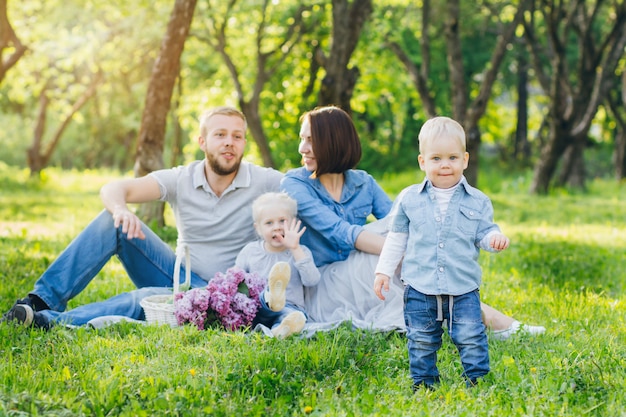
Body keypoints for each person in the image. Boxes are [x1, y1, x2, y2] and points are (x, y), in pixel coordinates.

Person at [3, 106, 283, 329]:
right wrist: (122, 210)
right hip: (179, 277)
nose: (229, 143)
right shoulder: (182, 178)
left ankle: (46, 322)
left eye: (237, 136)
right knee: (110, 220)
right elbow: (114, 188)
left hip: (226, 294)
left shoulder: (263, 180)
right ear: (202, 141)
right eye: (220, 135)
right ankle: (40, 301)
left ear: (245, 142)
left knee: (143, 298)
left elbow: (304, 190)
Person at [280, 105, 545, 338]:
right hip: (325, 284)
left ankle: (486, 320)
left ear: (333, 142)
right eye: (302, 139)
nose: (301, 148)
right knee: (393, 247)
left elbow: (407, 219)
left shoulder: (363, 182)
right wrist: (410, 254)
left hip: (367, 276)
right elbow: (342, 233)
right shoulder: (294, 184)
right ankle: (497, 323)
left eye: (310, 140)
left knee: (406, 219)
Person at [374, 116, 510, 389]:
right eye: (436, 158)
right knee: (422, 338)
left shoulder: (478, 201)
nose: (445, 165)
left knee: (471, 335)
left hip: (463, 287)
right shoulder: (409, 199)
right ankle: (424, 382)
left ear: (465, 160)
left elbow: (484, 232)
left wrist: (493, 238)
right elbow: (397, 238)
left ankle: (478, 380)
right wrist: (383, 271)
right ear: (422, 161)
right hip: (420, 287)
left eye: (452, 157)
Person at [235, 192, 320, 338]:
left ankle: (279, 330)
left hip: (289, 307)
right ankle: (272, 299)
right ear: (258, 228)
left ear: (293, 223)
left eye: (282, 221)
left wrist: (295, 248)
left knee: (292, 316)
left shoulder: (300, 251)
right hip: (257, 307)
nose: (277, 227)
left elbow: (312, 280)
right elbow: (235, 279)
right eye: (269, 223)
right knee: (263, 299)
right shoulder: (250, 251)